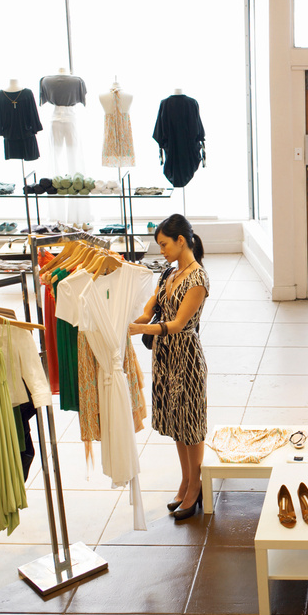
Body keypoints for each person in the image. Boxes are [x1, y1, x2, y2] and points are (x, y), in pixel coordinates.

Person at [128, 214, 209, 520]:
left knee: (190, 423)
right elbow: (151, 308)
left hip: (186, 356)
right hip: (164, 356)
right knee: (177, 423)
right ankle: (187, 479)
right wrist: (131, 321)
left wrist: (141, 331)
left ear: (180, 240)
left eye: (163, 244)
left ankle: (196, 483)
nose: (160, 250)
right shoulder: (169, 273)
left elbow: (177, 324)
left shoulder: (197, 279)